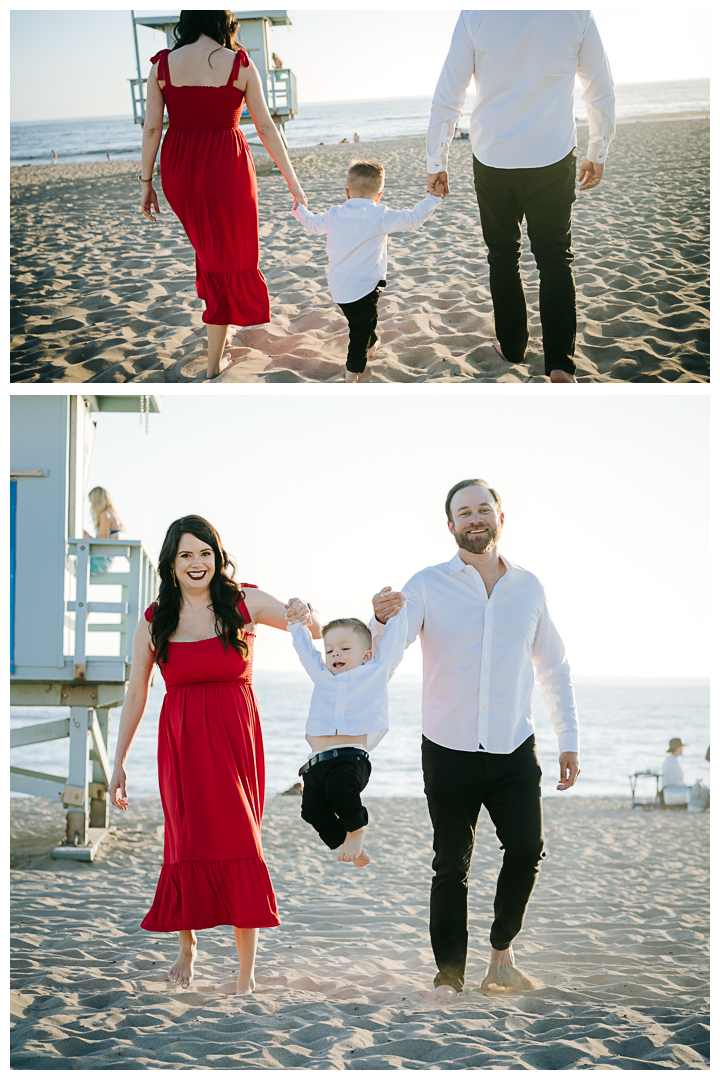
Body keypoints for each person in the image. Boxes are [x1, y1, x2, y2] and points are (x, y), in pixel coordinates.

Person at [371, 478, 580, 998]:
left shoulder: (529, 587)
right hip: (448, 749)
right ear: (450, 526)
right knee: (450, 865)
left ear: (501, 518)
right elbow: (388, 654)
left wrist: (568, 738)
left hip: (514, 746)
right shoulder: (424, 584)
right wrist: (378, 620)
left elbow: (552, 667)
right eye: (464, 512)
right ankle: (449, 976)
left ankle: (501, 956)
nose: (475, 518)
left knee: (528, 849)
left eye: (483, 509)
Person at [107, 515, 322, 994]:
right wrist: (118, 761)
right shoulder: (155, 619)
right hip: (181, 745)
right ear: (172, 563)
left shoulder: (241, 601)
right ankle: (187, 946)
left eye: (204, 552)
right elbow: (136, 695)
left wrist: (306, 612)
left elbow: (314, 631)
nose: (197, 563)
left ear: (216, 556)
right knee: (186, 843)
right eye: (186, 555)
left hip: (234, 741)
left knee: (241, 843)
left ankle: (244, 975)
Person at [426, 11, 615, 383]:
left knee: (502, 255)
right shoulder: (575, 13)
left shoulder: (475, 16)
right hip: (553, 153)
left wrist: (438, 159)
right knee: (556, 259)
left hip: (494, 156)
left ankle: (513, 347)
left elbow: (450, 92)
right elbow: (599, 87)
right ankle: (560, 364)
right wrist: (599, 150)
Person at [139, 10, 307, 379]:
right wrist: (292, 180)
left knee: (210, 251)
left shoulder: (163, 66)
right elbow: (264, 127)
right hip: (226, 166)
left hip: (179, 168)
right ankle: (215, 362)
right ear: (224, 23)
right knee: (224, 256)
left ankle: (222, 336)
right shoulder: (240, 65)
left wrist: (146, 182)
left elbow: (153, 128)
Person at [293, 159, 442, 382]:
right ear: (379, 194)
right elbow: (413, 219)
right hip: (365, 288)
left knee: (360, 321)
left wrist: (300, 207)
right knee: (360, 331)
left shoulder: (334, 214)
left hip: (339, 288)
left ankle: (372, 345)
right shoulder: (380, 215)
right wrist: (433, 197)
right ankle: (351, 376)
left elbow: (311, 224)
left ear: (347, 192)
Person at [285, 598, 407, 866]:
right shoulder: (322, 675)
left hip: (350, 759)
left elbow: (393, 646)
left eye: (344, 648)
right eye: (330, 650)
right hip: (316, 762)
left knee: (341, 790)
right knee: (311, 810)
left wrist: (398, 616)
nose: (335, 654)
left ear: (366, 654)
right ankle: (345, 843)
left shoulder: (375, 673)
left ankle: (357, 830)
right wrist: (296, 623)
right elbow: (305, 650)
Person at [83, 486, 122, 577]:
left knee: (68, 565)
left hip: (100, 563)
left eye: (93, 503)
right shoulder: (112, 513)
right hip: (104, 562)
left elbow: (101, 543)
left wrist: (85, 535)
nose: (92, 507)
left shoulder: (105, 515)